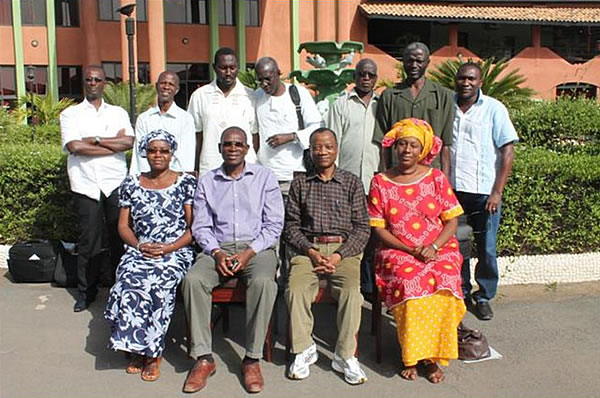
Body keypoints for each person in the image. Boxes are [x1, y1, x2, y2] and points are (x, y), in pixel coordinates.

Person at [181, 127, 284, 394]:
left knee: (263, 282)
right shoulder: (208, 180)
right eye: (228, 144)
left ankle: (251, 358)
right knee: (193, 281)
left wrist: (248, 253)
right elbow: (201, 227)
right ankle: (203, 358)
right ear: (219, 148)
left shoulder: (264, 177)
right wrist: (216, 253)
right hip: (218, 247)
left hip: (256, 249)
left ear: (247, 148)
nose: (233, 148)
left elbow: (274, 225)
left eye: (239, 143)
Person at [368, 118, 465, 383]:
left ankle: (432, 358)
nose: (407, 150)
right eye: (402, 144)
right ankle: (410, 356)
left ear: (422, 150)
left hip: (438, 247)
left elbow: (452, 220)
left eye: (413, 145)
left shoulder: (436, 178)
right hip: (396, 250)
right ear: (394, 147)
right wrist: (409, 249)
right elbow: (378, 228)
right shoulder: (381, 181)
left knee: (445, 282)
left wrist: (433, 246)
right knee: (411, 282)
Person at [104, 130, 196, 382]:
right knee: (129, 279)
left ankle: (153, 353)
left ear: (171, 153)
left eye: (164, 151)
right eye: (153, 150)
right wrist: (138, 245)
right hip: (140, 248)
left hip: (175, 250)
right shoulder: (132, 182)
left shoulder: (185, 182)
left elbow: (193, 228)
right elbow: (123, 226)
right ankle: (136, 347)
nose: (158, 155)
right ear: (145, 152)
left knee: (158, 282)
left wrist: (169, 248)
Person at [284, 128, 370, 385]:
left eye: (328, 146)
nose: (322, 151)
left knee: (352, 294)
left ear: (336, 149)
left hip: (344, 252)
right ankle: (304, 348)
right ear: (310, 150)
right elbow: (290, 226)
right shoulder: (300, 183)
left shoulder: (352, 182)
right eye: (317, 147)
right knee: (295, 290)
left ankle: (344, 356)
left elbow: (362, 228)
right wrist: (310, 252)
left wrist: (339, 256)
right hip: (307, 250)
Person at [60, 65, 134, 312]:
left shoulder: (118, 113)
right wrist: (111, 145)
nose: (93, 83)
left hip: (114, 182)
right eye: (89, 79)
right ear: (85, 83)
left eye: (98, 79)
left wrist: (95, 140)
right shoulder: (70, 115)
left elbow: (128, 142)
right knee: (89, 241)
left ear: (105, 83)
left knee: (118, 237)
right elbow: (75, 148)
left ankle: (118, 287)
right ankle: (86, 292)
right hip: (85, 184)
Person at [451, 62, 518, 320]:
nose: (465, 83)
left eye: (471, 79)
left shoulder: (494, 108)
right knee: (456, 247)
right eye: (461, 78)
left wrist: (497, 192)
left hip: (485, 193)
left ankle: (484, 296)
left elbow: (507, 151)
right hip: (454, 192)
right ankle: (462, 291)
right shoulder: (449, 107)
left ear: (480, 82)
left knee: (486, 247)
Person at [327, 58, 381, 298]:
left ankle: (368, 285)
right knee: (349, 233)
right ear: (355, 77)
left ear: (376, 78)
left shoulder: (384, 104)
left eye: (370, 74)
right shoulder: (341, 104)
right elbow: (332, 142)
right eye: (362, 74)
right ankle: (347, 282)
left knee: (373, 235)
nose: (366, 78)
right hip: (347, 182)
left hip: (376, 181)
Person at [374, 42, 455, 175]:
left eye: (419, 61)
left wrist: (443, 180)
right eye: (409, 61)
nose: (414, 65)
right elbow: (384, 142)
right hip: (398, 172)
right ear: (403, 62)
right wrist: (384, 176)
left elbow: (446, 144)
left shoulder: (443, 96)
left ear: (427, 62)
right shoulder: (390, 95)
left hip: (430, 171)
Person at [254, 56, 324, 198]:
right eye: (260, 80)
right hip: (265, 174)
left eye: (268, 78)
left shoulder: (298, 94)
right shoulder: (257, 96)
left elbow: (318, 127)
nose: (264, 84)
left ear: (279, 73)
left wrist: (292, 137)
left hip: (293, 174)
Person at [187, 47, 257, 175]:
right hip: (210, 168)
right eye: (223, 68)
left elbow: (256, 135)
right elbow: (196, 135)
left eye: (232, 68)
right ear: (214, 68)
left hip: (245, 169)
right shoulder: (200, 96)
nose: (228, 72)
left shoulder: (250, 96)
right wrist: (194, 167)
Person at [130, 71, 196, 175]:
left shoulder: (185, 119)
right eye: (163, 83)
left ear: (177, 90)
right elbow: (140, 154)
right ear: (156, 86)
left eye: (171, 84)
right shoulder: (144, 119)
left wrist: (170, 179)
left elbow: (186, 154)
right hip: (148, 180)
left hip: (175, 180)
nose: (166, 87)